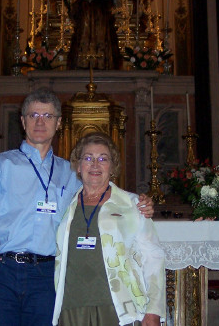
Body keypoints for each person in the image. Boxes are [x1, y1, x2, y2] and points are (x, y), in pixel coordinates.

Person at [0, 87, 154, 326]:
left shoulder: (71, 172)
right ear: (23, 121)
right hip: (2, 271)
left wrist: (139, 202)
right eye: (33, 115)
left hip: (45, 277)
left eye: (47, 116)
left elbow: (103, 192)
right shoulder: (0, 166)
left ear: (59, 122)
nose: (40, 122)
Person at [52, 132, 165, 326]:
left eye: (103, 159)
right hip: (72, 306)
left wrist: (154, 309)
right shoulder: (65, 203)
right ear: (78, 166)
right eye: (88, 158)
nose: (95, 165)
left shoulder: (133, 205)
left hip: (118, 307)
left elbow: (154, 258)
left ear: (112, 167)